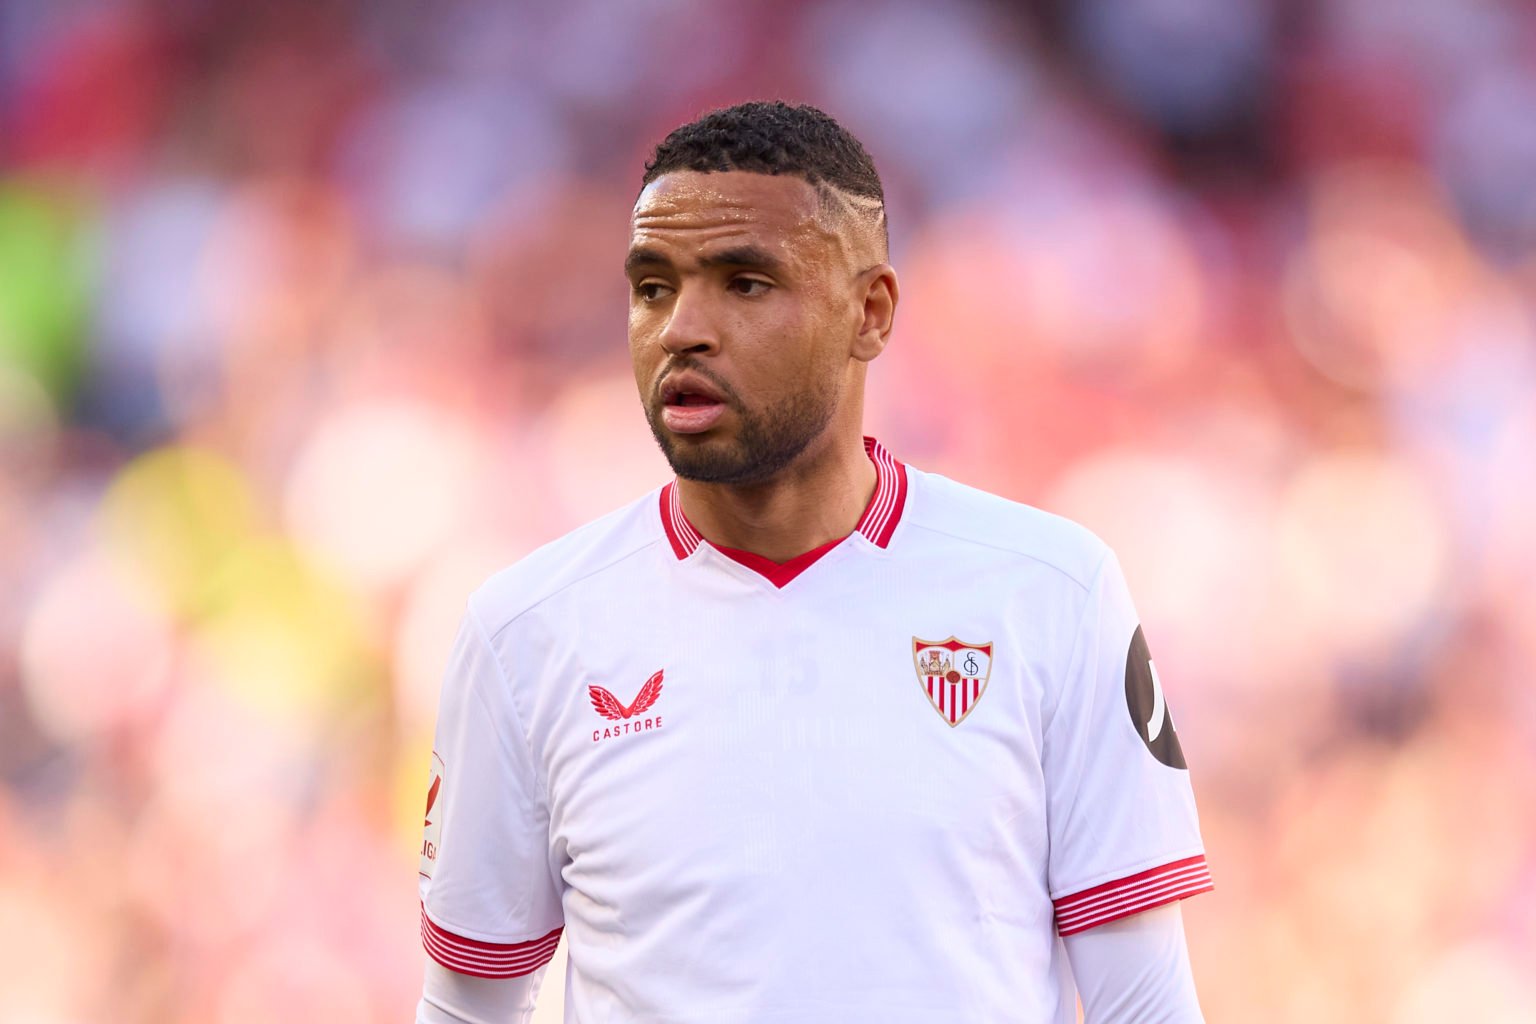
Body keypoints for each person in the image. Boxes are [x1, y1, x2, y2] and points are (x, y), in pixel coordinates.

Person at [416, 101, 1212, 1024]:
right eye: (652, 287)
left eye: (745, 283)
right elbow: (468, 1009)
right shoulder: (526, 632)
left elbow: (1144, 1002)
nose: (682, 329)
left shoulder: (1052, 592)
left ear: (869, 312)